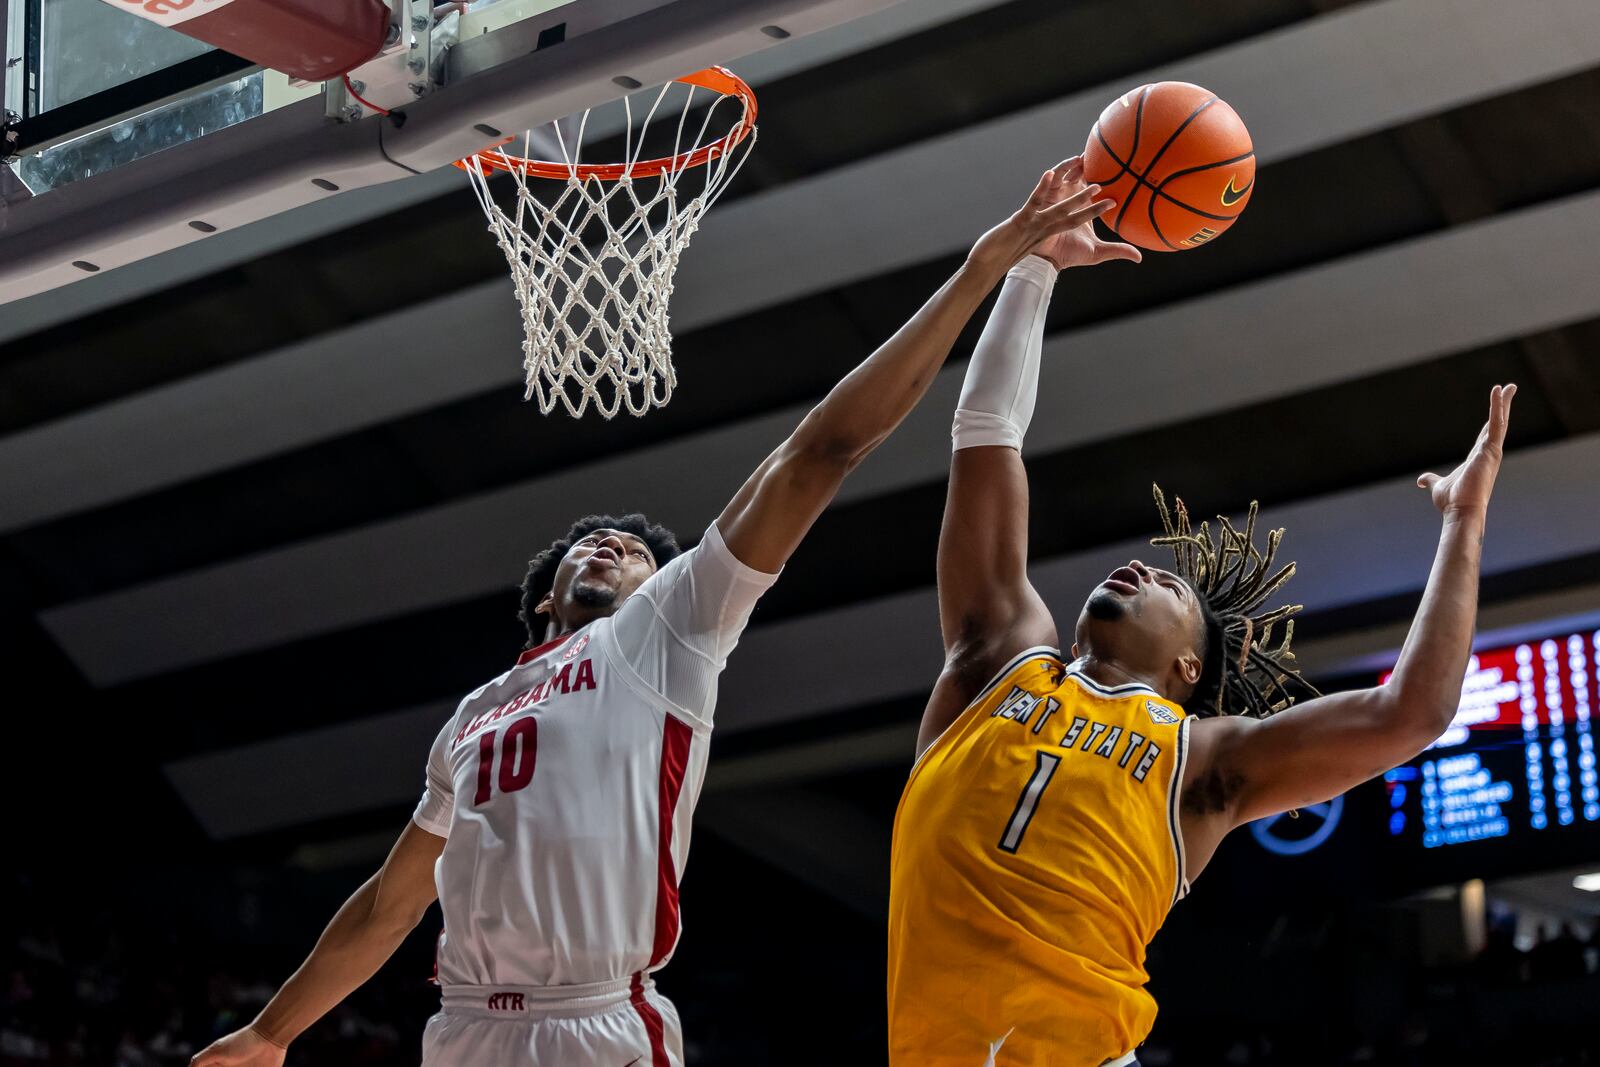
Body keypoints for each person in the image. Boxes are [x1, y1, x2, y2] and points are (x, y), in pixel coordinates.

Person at [190, 159, 1126, 1067]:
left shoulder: (665, 631)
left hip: (596, 1024)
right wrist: (273, 1031)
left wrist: (988, 268)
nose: (609, 546)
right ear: (545, 593)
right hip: (463, 1028)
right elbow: (390, 904)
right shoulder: (472, 715)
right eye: (589, 544)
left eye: (635, 550)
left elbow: (822, 450)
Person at [885, 159, 1518, 1066]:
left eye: (1170, 587)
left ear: (1188, 669)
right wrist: (1034, 270)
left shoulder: (1204, 761)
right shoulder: (999, 659)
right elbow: (986, 434)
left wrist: (1462, 523)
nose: (1140, 565)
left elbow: (1410, 714)